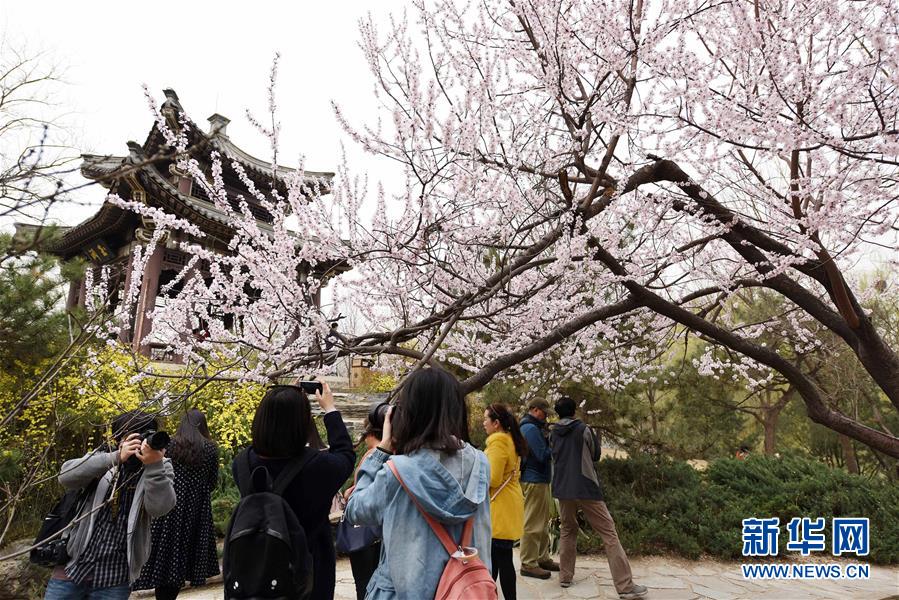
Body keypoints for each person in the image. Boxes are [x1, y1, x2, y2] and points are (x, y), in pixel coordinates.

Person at [344, 368, 492, 599]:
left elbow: (355, 510)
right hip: (463, 591)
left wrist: (382, 449)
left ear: (409, 413)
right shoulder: (481, 464)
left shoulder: (396, 472)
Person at [232, 382, 355, 600]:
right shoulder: (316, 467)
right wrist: (330, 410)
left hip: (255, 570)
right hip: (307, 573)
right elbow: (345, 455)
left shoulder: (242, 463)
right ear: (303, 424)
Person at [44, 410, 176, 600]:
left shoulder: (161, 466)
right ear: (118, 438)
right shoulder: (104, 455)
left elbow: (160, 508)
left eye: (148, 435)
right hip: (73, 568)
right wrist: (116, 458)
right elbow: (65, 477)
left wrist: (154, 466)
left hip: (116, 576)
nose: (143, 442)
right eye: (136, 436)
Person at [549, 396, 647, 599]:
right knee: (609, 533)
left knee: (567, 529)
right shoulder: (583, 429)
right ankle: (625, 586)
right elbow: (595, 454)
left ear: (558, 413)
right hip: (585, 486)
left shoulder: (552, 433)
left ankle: (565, 577)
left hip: (562, 488)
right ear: (574, 410)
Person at [133, 409, 220, 599]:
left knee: (164, 554)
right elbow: (212, 482)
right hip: (196, 509)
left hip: (168, 504)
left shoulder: (169, 444)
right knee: (185, 554)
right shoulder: (211, 448)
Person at [341, 404, 387, 600]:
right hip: (379, 531)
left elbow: (362, 495)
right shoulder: (390, 455)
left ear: (369, 433)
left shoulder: (373, 456)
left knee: (364, 585)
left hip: (365, 530)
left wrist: (350, 492)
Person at [483, 403, 527, 600]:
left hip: (499, 506)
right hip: (509, 501)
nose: (484, 423)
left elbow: (493, 478)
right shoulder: (510, 439)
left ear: (496, 423)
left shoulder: (498, 441)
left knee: (495, 559)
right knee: (502, 558)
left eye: (486, 419)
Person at [518, 397, 559, 580]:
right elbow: (542, 455)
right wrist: (555, 444)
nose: (545, 417)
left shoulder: (533, 427)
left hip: (539, 480)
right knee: (533, 523)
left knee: (541, 523)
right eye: (544, 413)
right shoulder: (530, 428)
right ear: (534, 410)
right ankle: (528, 563)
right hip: (533, 479)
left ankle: (542, 558)